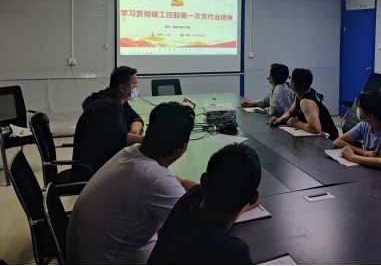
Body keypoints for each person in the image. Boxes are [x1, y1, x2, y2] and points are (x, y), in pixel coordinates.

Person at [67, 102, 197, 265]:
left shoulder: (131, 152)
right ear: (182, 149)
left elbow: (182, 182)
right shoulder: (155, 179)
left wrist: (207, 190)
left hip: (90, 254)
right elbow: (199, 229)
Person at [147, 143, 262, 265]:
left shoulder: (188, 200)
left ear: (203, 180)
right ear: (253, 197)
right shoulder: (234, 252)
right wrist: (246, 201)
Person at [71, 66, 144, 181]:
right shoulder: (108, 107)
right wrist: (150, 140)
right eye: (134, 85)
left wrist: (135, 132)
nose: (136, 89)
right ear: (122, 88)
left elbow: (135, 118)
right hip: (95, 170)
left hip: (105, 160)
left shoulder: (116, 99)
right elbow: (121, 139)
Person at [269, 68, 338, 140]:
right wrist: (279, 120)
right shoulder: (300, 94)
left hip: (328, 140)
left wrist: (297, 123)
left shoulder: (306, 101)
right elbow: (290, 112)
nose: (289, 80)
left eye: (291, 78)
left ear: (293, 85)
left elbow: (316, 129)